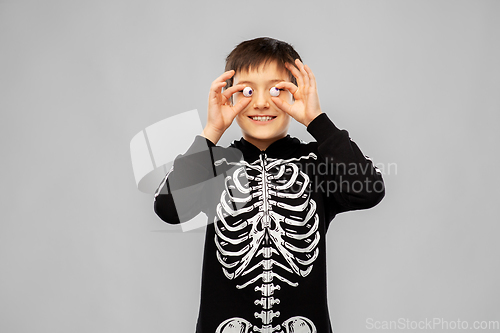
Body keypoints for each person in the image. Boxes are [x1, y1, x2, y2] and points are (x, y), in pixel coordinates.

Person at [154, 37, 385, 333]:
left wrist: (317, 120)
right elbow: (168, 208)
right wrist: (211, 133)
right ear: (229, 95)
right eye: (247, 91)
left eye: (277, 90)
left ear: (297, 93)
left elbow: (369, 189)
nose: (262, 102)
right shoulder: (213, 164)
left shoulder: (317, 163)